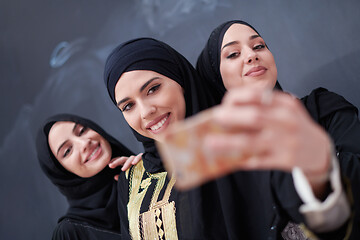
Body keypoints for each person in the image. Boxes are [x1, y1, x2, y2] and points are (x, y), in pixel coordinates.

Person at [104, 37, 350, 239]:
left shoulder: (240, 144)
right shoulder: (134, 180)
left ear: (181, 82)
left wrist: (318, 173)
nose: (146, 111)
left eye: (153, 89)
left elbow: (322, 224)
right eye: (128, 106)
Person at [196, 19, 360, 239]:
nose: (252, 55)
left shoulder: (323, 109)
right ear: (216, 76)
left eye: (259, 46)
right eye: (233, 54)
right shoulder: (222, 159)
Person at [36, 113, 141, 239]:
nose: (84, 143)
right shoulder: (70, 234)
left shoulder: (148, 175)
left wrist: (152, 172)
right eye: (68, 150)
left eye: (82, 131)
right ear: (63, 173)